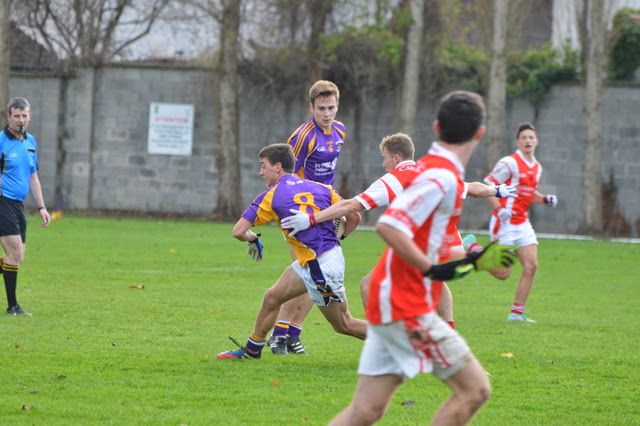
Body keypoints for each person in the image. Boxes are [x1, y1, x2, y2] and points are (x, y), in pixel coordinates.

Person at [329, 90, 517, 425]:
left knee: (366, 411)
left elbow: (462, 198)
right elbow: (390, 226)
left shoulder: (440, 172)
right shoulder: (440, 176)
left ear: (435, 127)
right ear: (480, 133)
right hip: (406, 307)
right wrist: (435, 269)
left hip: (391, 303)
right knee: (475, 390)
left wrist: (474, 260)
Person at [281, 132, 517, 326]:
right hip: (446, 239)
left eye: (384, 158)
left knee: (369, 285)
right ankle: (449, 325)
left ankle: (384, 345)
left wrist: (312, 219)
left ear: (395, 157)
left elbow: (351, 205)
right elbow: (473, 188)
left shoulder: (392, 180)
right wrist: (497, 191)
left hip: (421, 245)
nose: (383, 164)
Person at [217, 143, 366, 360]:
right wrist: (339, 237)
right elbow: (354, 216)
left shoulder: (271, 195)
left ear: (278, 167)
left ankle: (405, 341)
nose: (260, 172)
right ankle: (252, 350)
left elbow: (238, 231)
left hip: (319, 268)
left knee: (344, 324)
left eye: (263, 166)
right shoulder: (322, 188)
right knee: (272, 297)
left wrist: (252, 239)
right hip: (322, 259)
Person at [268, 80, 346, 355]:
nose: (327, 113)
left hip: (324, 214)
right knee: (304, 270)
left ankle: (292, 333)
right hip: (301, 216)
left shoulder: (340, 132)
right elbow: (284, 175)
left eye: (332, 107)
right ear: (311, 107)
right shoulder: (302, 137)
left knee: (317, 272)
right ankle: (280, 333)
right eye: (321, 108)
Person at [483, 122, 557, 323]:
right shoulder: (509, 163)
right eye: (524, 137)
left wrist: (544, 199)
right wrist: (499, 209)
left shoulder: (537, 167)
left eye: (531, 138)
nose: (528, 141)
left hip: (522, 222)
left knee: (531, 265)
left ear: (537, 142)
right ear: (518, 142)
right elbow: (488, 184)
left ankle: (516, 313)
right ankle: (474, 252)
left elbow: (529, 194)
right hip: (504, 222)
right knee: (503, 273)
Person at [1, 97, 51, 316]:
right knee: (13, 252)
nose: (21, 120)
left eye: (24, 116)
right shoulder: (1, 141)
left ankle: (13, 306)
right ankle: (13, 307)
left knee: (17, 257)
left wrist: (41, 207)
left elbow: (34, 177)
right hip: (2, 201)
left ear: (29, 116)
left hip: (18, 205)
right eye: (16, 116)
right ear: (8, 117)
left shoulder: (31, 142)